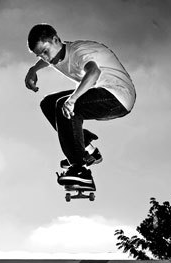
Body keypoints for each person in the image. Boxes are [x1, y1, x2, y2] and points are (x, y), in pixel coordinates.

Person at [25, 24, 136, 186]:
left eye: (45, 52)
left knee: (66, 105)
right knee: (48, 104)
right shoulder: (58, 53)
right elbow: (47, 60)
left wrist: (73, 99)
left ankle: (80, 169)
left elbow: (93, 72)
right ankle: (88, 150)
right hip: (104, 93)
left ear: (56, 40)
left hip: (118, 96)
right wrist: (33, 70)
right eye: (40, 56)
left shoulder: (79, 53)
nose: (46, 59)